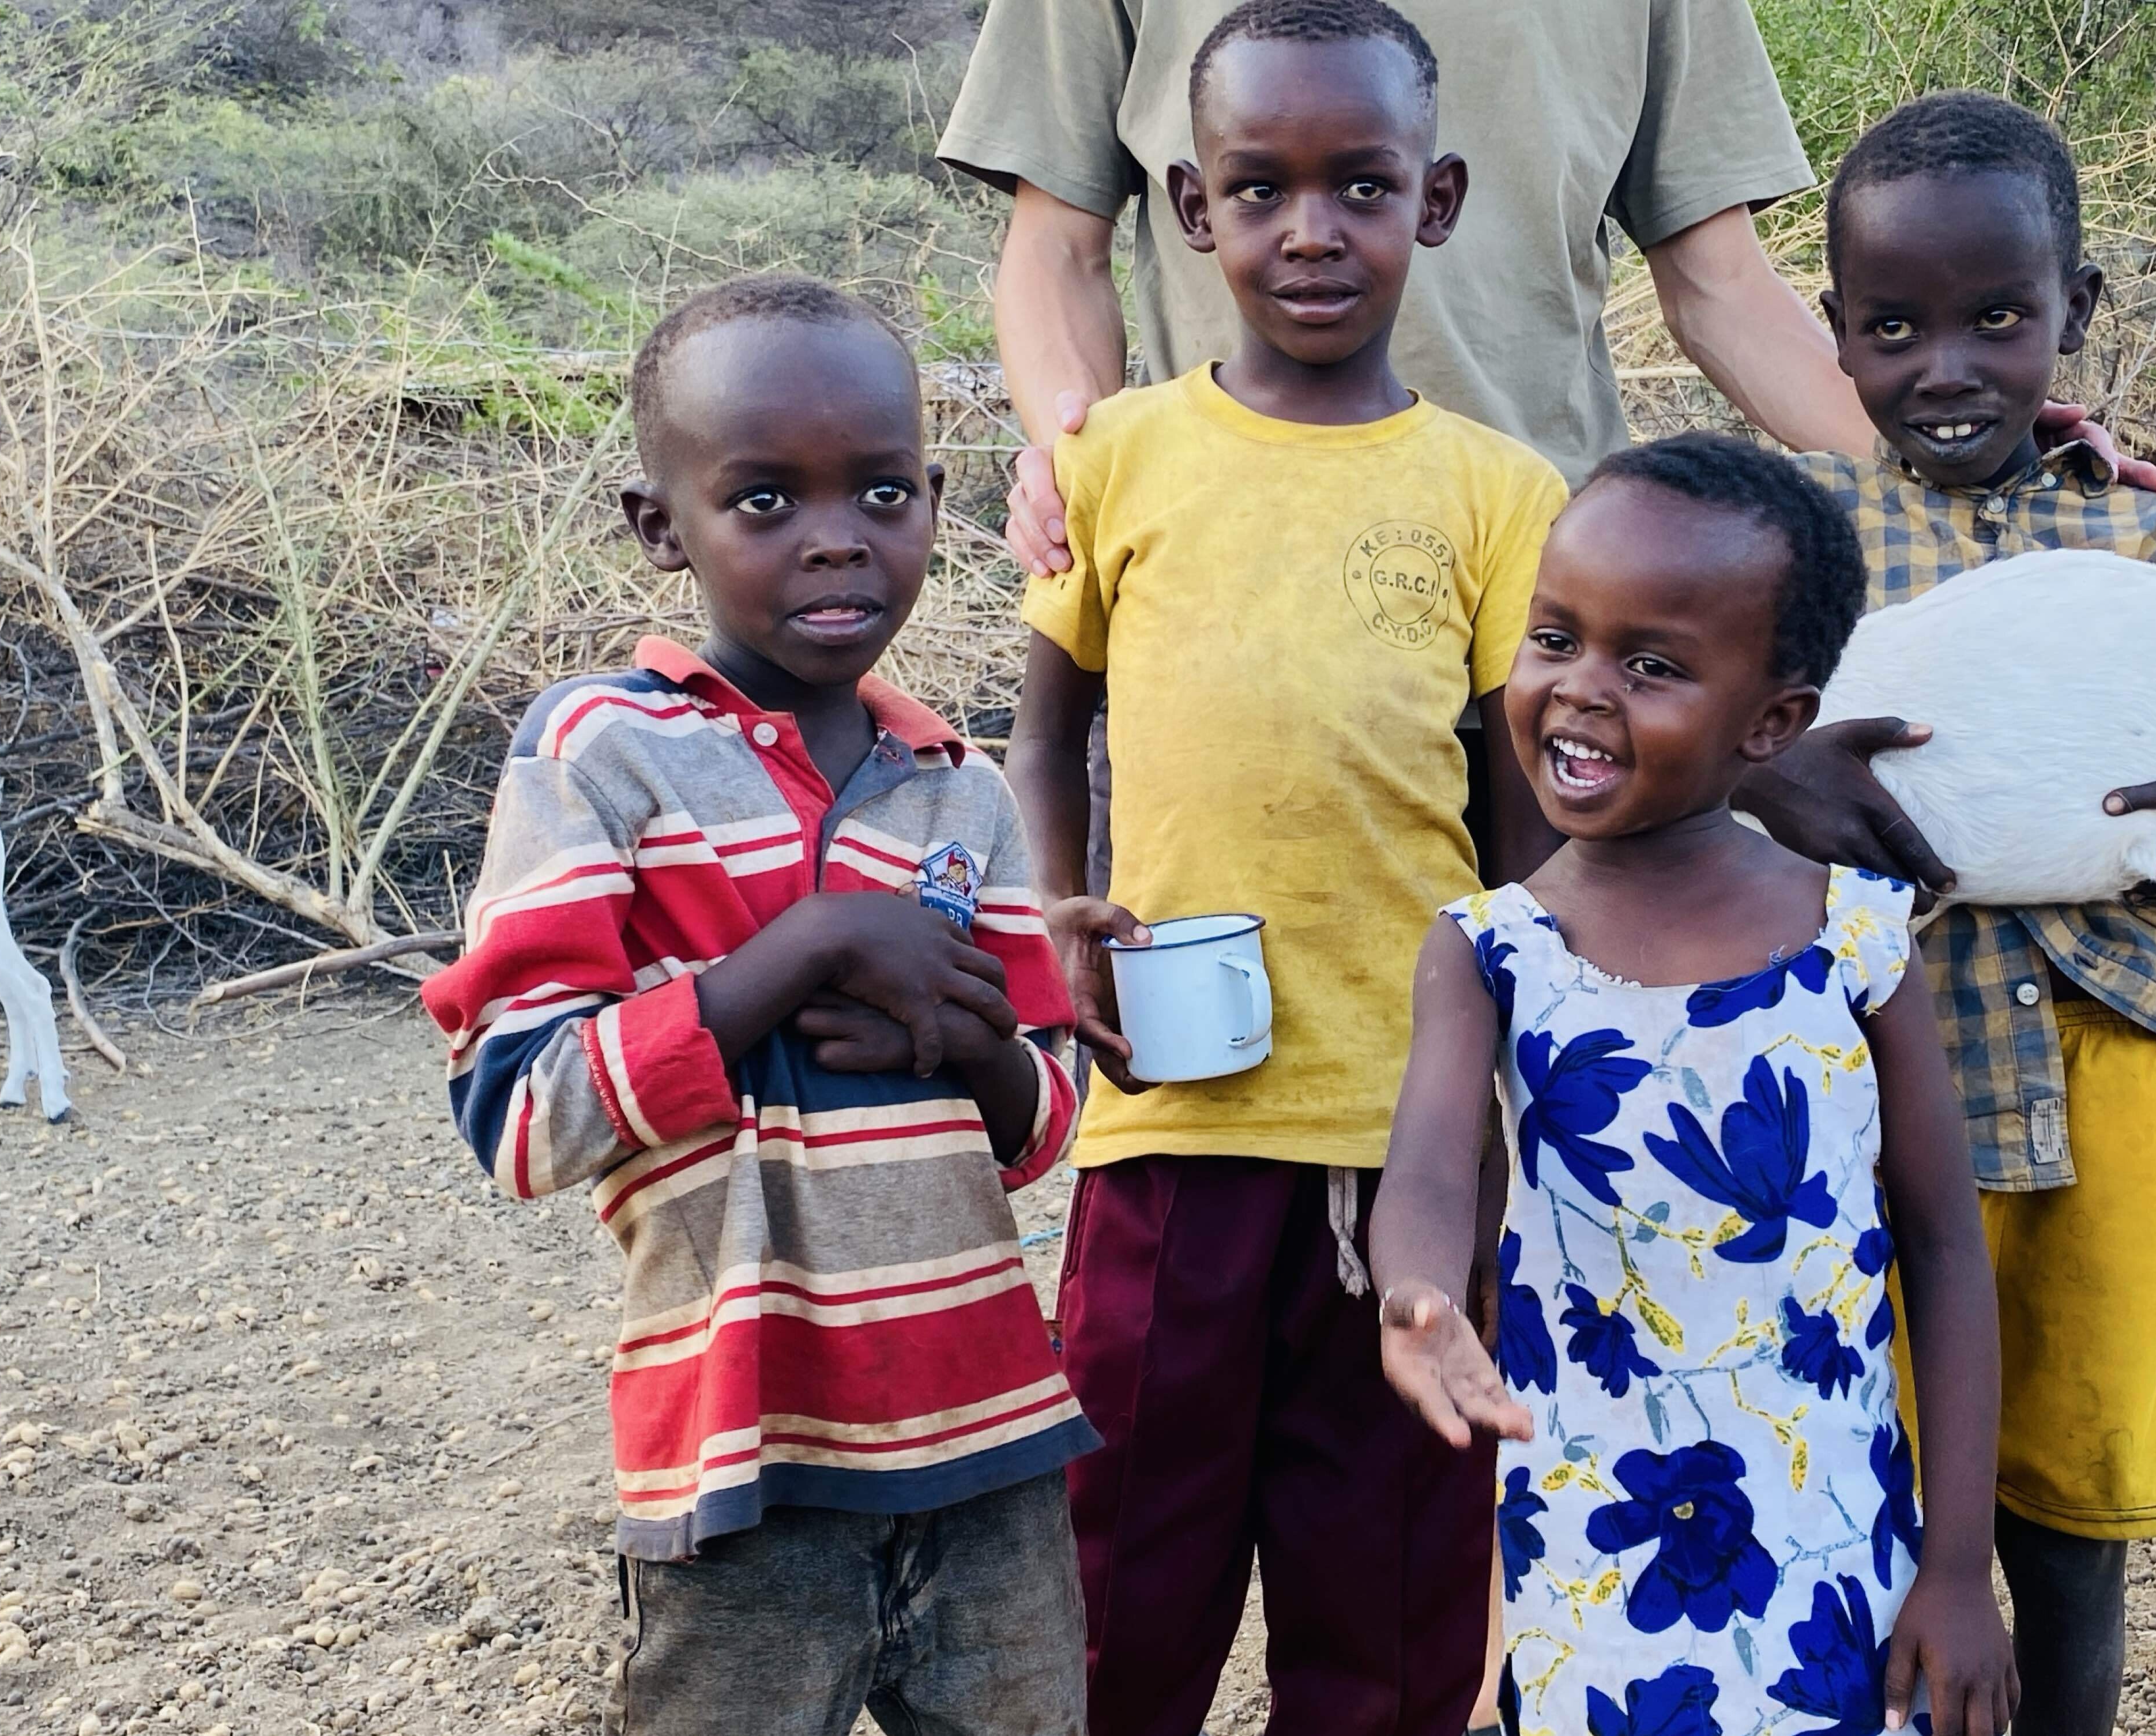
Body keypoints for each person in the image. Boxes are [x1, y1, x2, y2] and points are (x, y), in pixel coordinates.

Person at [1730, 95, 2156, 1735]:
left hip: (2111, 1090)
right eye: (1894, 327)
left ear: (2077, 314)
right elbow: (1677, 752)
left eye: (2000, 318)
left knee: (2070, 1528)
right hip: (1849, 1100)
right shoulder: (1797, 547)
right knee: (1844, 1482)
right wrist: (1765, 790)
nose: (1950, 367)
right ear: (1833, 331)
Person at [419, 275, 1095, 1736]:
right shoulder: (598, 754)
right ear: (662, 526)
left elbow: (1042, 1120)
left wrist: (976, 1039)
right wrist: (807, 952)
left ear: (937, 497)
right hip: (741, 1459)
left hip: (990, 1437)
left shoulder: (959, 788)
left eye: (883, 490)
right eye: (766, 499)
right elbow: (526, 1117)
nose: (838, 534)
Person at [998, 6, 1566, 1733]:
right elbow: (1043, 736)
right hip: (1171, 1123)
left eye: (1361, 187)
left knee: (1388, 1618)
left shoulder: (1496, 492)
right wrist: (1058, 916)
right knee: (1121, 1594)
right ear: (1191, 208)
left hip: (1413, 1144)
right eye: (1261, 189)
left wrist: (1508, 1098)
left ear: (1438, 199)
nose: (1311, 231)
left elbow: (1523, 813)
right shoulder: (1122, 457)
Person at [1367, 432, 2016, 1736]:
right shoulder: (1493, 947)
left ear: (1775, 722)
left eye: (1652, 665)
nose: (1581, 691)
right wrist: (1419, 1297)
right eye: (1555, 638)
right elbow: (1433, 1166)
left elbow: (1945, 1247)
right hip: (1597, 1550)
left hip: (1840, 1543)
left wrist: (1956, 1566)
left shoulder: (1857, 938)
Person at [939, 0, 2156, 583]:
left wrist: (1951, 453)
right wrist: (1068, 453)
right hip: (1215, 577)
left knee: (1549, 1053)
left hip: (1556, 591)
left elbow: (1717, 280)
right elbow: (1056, 246)